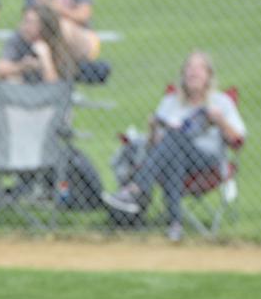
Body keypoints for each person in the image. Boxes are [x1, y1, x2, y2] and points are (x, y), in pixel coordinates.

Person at [103, 50, 245, 242]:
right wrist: (153, 128)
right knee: (174, 150)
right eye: (189, 68)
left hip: (206, 161)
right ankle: (175, 224)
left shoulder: (221, 102)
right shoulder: (171, 102)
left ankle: (137, 188)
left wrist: (220, 121)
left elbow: (238, 140)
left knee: (174, 138)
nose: (192, 73)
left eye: (198, 69)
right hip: (173, 159)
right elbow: (155, 145)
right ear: (182, 74)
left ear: (208, 76)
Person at [0, 4, 75, 85]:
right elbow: (1, 68)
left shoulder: (57, 44)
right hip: (22, 89)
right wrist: (22, 67)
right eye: (24, 20)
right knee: (12, 79)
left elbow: (54, 86)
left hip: (46, 93)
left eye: (30, 22)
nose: (24, 26)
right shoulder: (17, 39)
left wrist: (45, 59)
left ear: (43, 26)